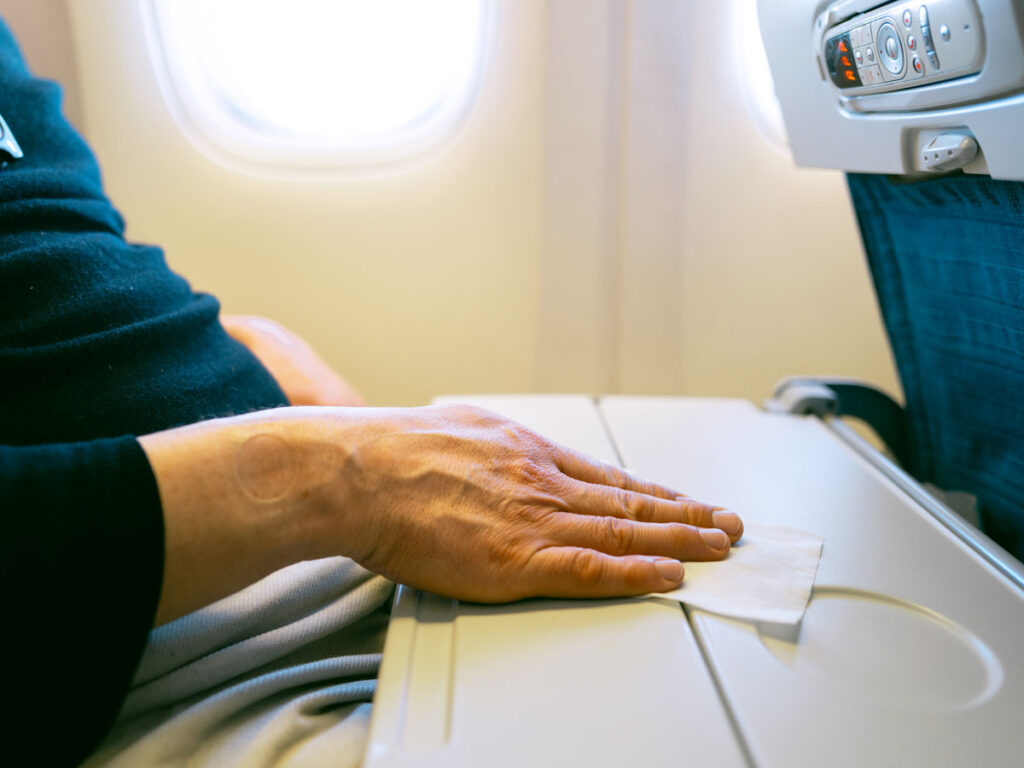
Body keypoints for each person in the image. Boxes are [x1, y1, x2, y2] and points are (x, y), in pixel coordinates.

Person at [0, 18, 742, 766]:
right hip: (161, 661)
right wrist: (329, 474)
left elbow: (57, 250)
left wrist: (287, 380)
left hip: (322, 550)